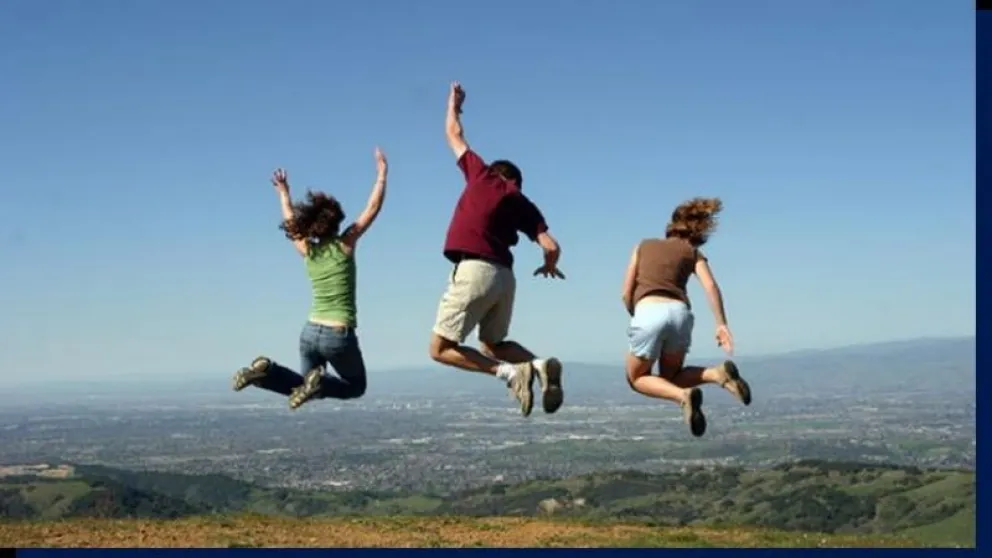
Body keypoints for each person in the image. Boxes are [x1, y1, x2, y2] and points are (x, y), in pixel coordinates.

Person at [428, 82, 566, 418]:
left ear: (498, 173)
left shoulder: (484, 175)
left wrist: (453, 106)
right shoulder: (523, 203)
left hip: (475, 269)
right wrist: (549, 265)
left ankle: (509, 373)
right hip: (505, 277)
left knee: (440, 349)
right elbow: (551, 245)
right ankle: (538, 365)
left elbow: (453, 134)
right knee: (493, 344)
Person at [232, 148, 389, 410]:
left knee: (306, 387)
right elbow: (372, 209)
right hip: (337, 334)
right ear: (336, 221)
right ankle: (315, 382)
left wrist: (283, 193)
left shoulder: (308, 250)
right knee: (355, 387)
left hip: (310, 331)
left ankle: (265, 373)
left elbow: (291, 221)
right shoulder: (345, 245)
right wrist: (382, 175)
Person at [620, 197, 752, 437]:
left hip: (648, 310)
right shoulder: (693, 253)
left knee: (637, 377)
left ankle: (684, 397)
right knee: (671, 376)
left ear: (672, 225)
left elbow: (625, 292)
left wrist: (636, 313)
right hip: (681, 314)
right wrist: (721, 324)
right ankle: (716, 374)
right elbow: (711, 286)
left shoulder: (643, 246)